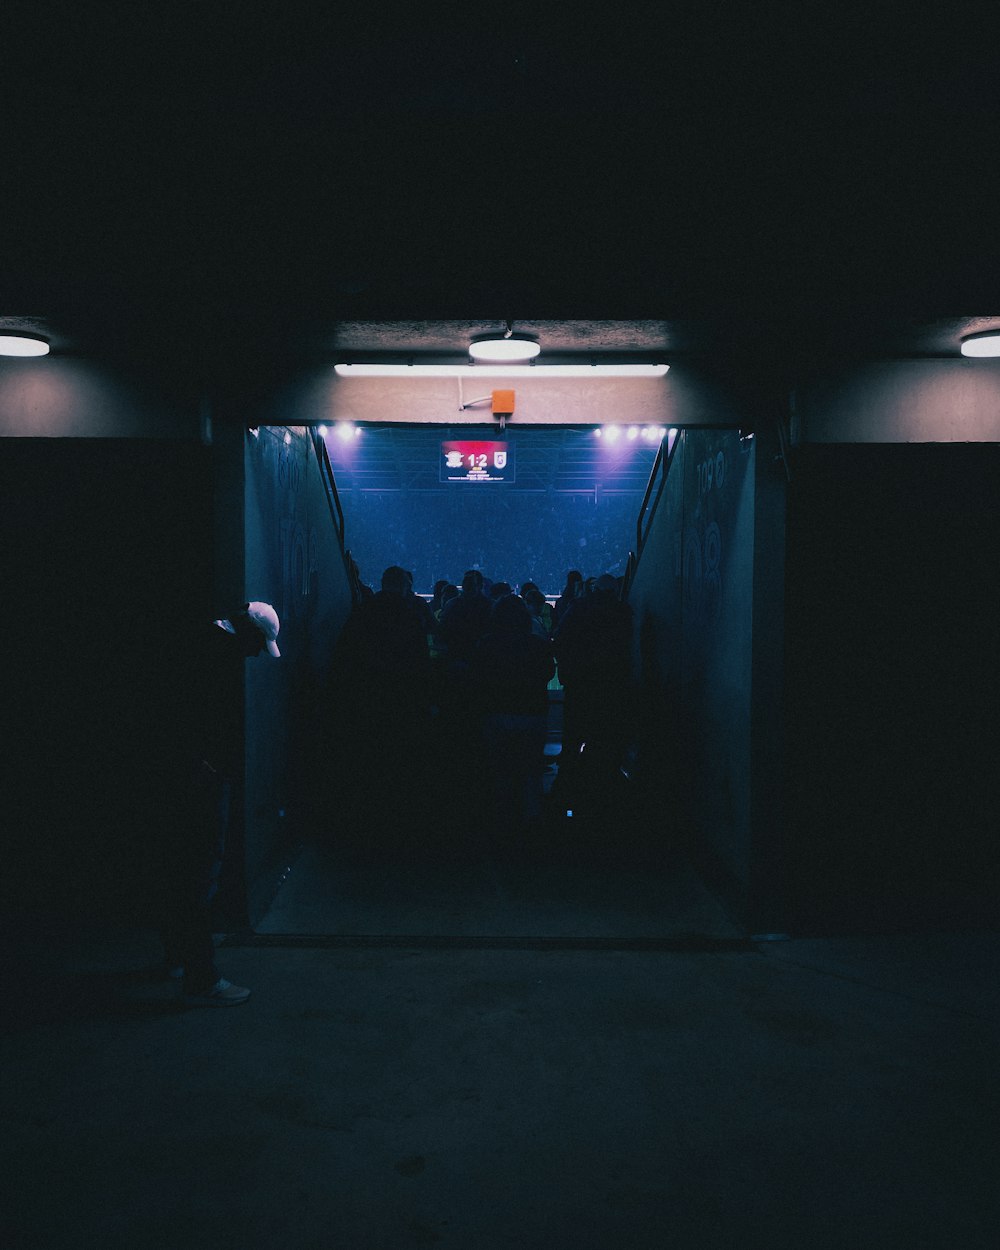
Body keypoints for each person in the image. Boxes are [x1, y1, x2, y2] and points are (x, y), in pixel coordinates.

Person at [157, 600, 281, 1007]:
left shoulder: (198, 641)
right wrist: (211, 768)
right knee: (200, 871)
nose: (254, 653)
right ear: (246, 630)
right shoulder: (216, 653)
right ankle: (201, 976)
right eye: (257, 644)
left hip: (185, 774)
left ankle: (179, 955)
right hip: (202, 780)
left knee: (180, 869)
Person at [471, 594, 555, 832]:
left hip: (496, 713)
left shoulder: (487, 644)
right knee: (530, 771)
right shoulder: (537, 644)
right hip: (531, 713)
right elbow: (547, 672)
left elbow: (478, 676)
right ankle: (531, 822)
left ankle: (502, 821)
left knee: (501, 771)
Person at [552, 572, 633, 772]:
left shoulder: (579, 608)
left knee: (573, 728)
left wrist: (567, 667)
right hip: (609, 681)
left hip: (579, 679)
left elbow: (561, 637)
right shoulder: (622, 612)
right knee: (602, 732)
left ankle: (569, 767)